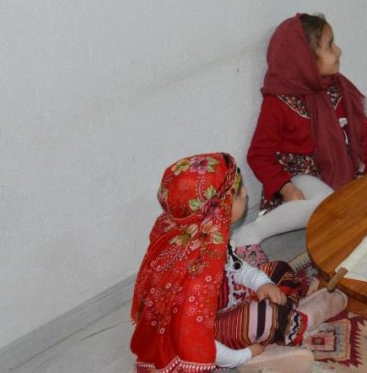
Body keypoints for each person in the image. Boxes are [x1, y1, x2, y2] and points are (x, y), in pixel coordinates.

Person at [131, 152, 346, 372]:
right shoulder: (192, 274)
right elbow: (197, 340)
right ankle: (287, 331)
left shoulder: (203, 234)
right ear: (218, 209)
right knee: (262, 317)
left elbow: (234, 267)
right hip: (208, 334)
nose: (245, 193)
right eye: (237, 193)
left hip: (223, 303)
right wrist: (242, 355)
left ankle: (278, 325)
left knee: (278, 270)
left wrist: (262, 283)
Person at [238, 14, 367, 247]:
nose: (338, 51)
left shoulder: (336, 87)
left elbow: (364, 133)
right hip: (298, 178)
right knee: (327, 204)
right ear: (305, 60)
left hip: (339, 171)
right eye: (330, 46)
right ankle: (252, 232)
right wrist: (286, 187)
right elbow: (258, 155)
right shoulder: (278, 102)